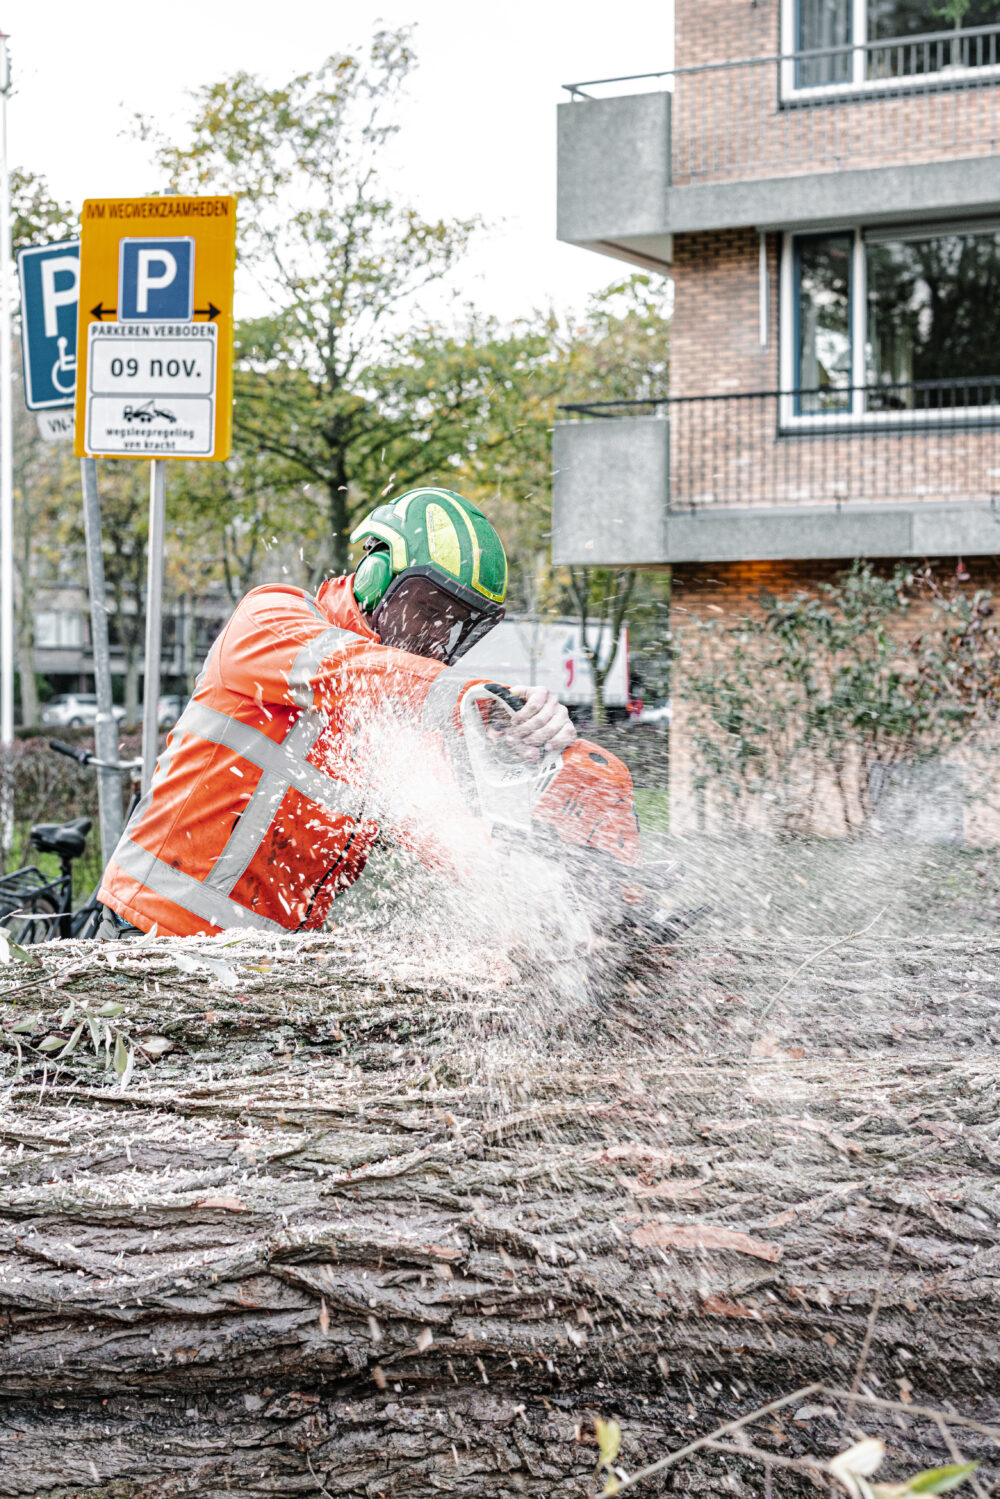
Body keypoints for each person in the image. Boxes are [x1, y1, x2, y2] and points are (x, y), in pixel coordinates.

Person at [96, 488, 577, 940]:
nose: (437, 639)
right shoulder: (271, 621)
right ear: (375, 578)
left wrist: (538, 891)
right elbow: (356, 673)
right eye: (428, 611)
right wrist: (478, 704)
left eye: (456, 628)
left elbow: (451, 836)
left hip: (263, 970)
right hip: (153, 932)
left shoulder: (403, 716)